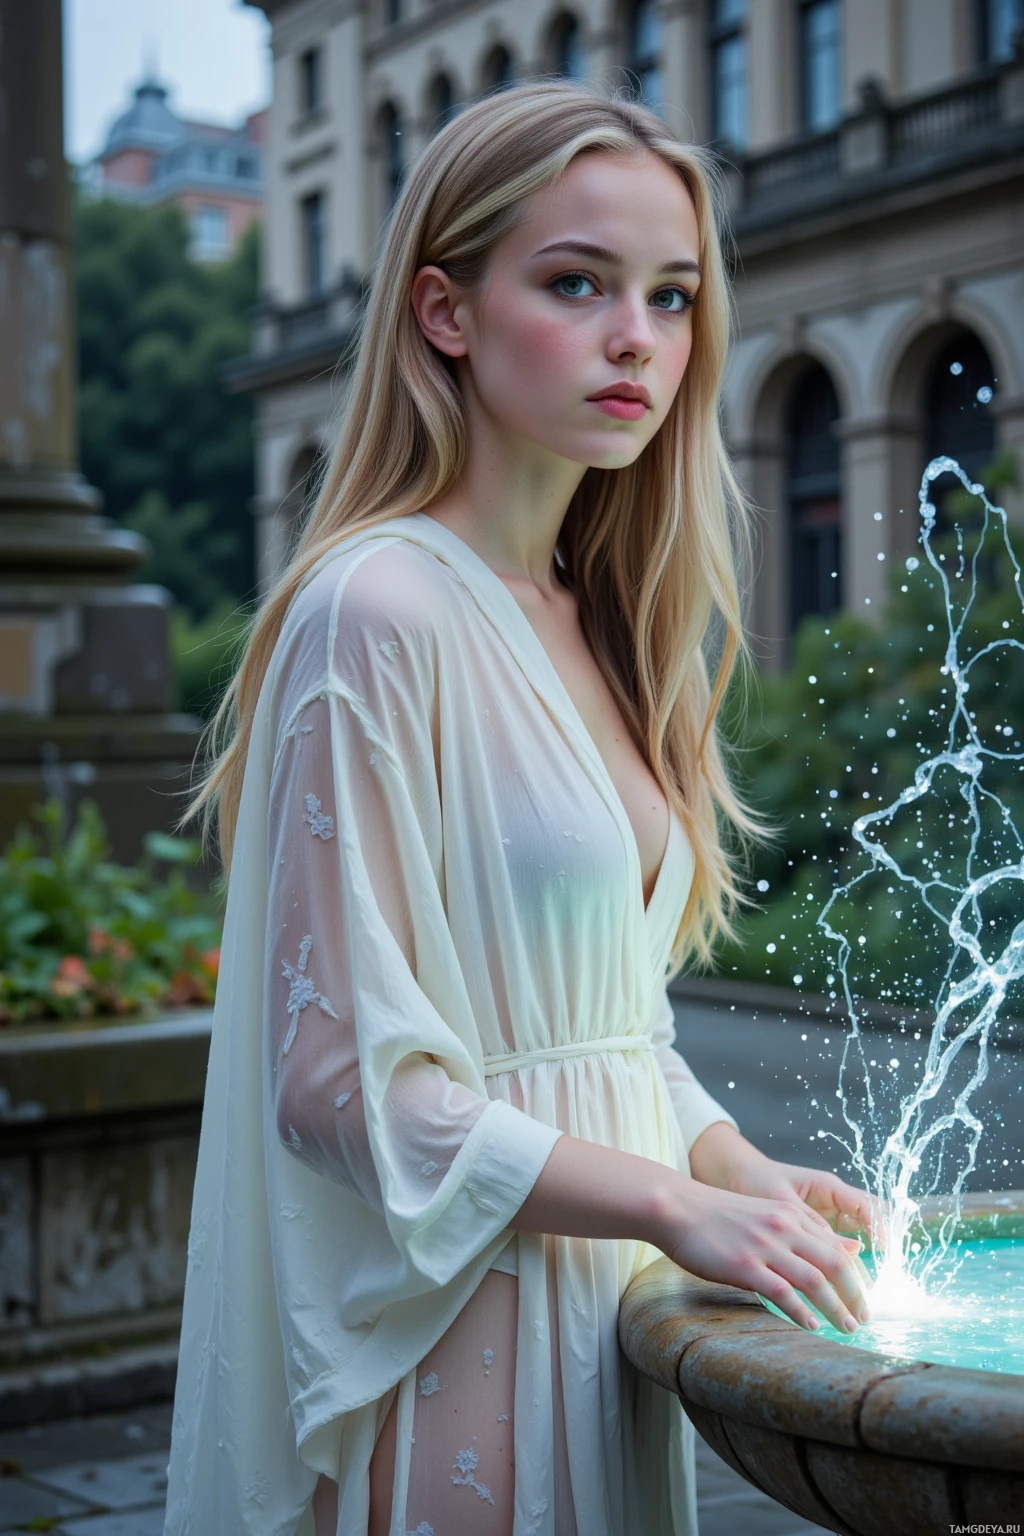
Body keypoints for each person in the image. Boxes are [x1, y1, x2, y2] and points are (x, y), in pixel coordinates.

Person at [163, 80, 876, 1536]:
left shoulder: (600, 616)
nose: (639, 339)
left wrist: (735, 1168)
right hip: (456, 1340)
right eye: (577, 283)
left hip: (609, 1319)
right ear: (444, 312)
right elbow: (336, 1081)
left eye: (672, 297)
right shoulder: (375, 610)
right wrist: (672, 1209)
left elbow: (600, 1027)